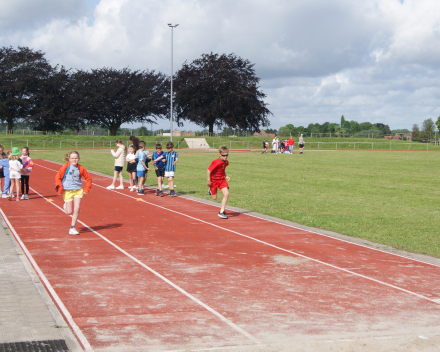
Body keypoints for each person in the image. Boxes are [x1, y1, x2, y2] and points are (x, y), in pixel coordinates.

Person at [55, 151, 92, 235]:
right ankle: (66, 206)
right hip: (68, 190)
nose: (74, 160)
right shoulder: (65, 167)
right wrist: (59, 189)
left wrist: (86, 189)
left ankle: (72, 227)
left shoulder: (81, 168)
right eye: (72, 158)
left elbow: (88, 178)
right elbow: (58, 177)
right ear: (69, 159)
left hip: (78, 190)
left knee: (77, 208)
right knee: (69, 212)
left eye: (76, 158)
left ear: (78, 159)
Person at [207, 145, 230, 219]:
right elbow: (208, 170)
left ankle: (222, 211)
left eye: (227, 155)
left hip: (222, 180)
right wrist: (208, 180)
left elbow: (222, 170)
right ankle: (210, 190)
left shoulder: (226, 162)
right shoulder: (216, 162)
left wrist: (226, 176)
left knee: (226, 194)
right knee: (214, 198)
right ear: (220, 154)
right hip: (214, 180)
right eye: (224, 155)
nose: (225, 157)